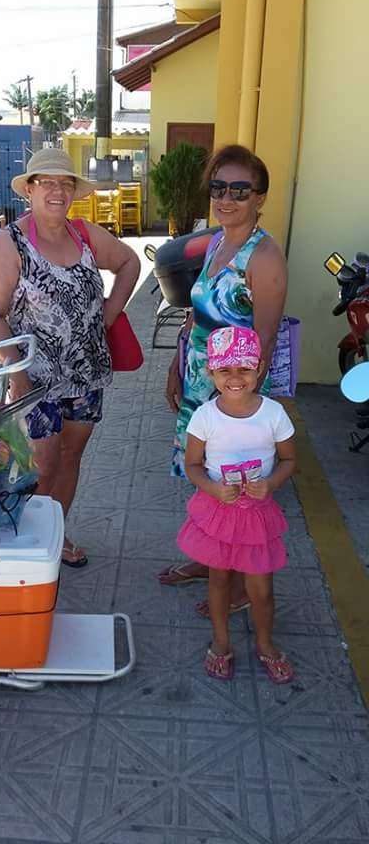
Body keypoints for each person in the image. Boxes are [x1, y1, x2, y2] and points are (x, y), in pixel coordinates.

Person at [0, 148, 140, 567]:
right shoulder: (10, 242)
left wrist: (109, 313)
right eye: (46, 182)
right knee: (41, 466)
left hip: (87, 375)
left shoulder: (84, 234)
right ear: (29, 189)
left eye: (65, 183)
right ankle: (24, 541)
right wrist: (15, 374)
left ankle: (56, 534)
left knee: (71, 458)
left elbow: (129, 262)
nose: (57, 191)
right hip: (35, 381)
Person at [159, 144, 288, 618]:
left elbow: (265, 345)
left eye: (239, 190)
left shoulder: (264, 257)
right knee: (205, 479)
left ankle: (235, 584)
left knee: (233, 488)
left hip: (233, 396)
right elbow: (198, 313)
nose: (226, 198)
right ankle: (210, 558)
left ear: (260, 197)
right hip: (200, 382)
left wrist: (231, 410)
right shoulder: (216, 243)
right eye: (218, 187)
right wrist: (177, 365)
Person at [177, 325, 296, 682]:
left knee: (262, 589)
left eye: (244, 368)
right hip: (219, 511)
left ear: (259, 368)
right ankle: (221, 642)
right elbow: (192, 465)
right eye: (225, 369)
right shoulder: (204, 417)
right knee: (219, 581)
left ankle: (265, 644)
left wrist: (270, 484)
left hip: (257, 515)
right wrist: (213, 489)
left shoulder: (274, 414)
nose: (234, 378)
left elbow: (290, 460)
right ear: (211, 371)